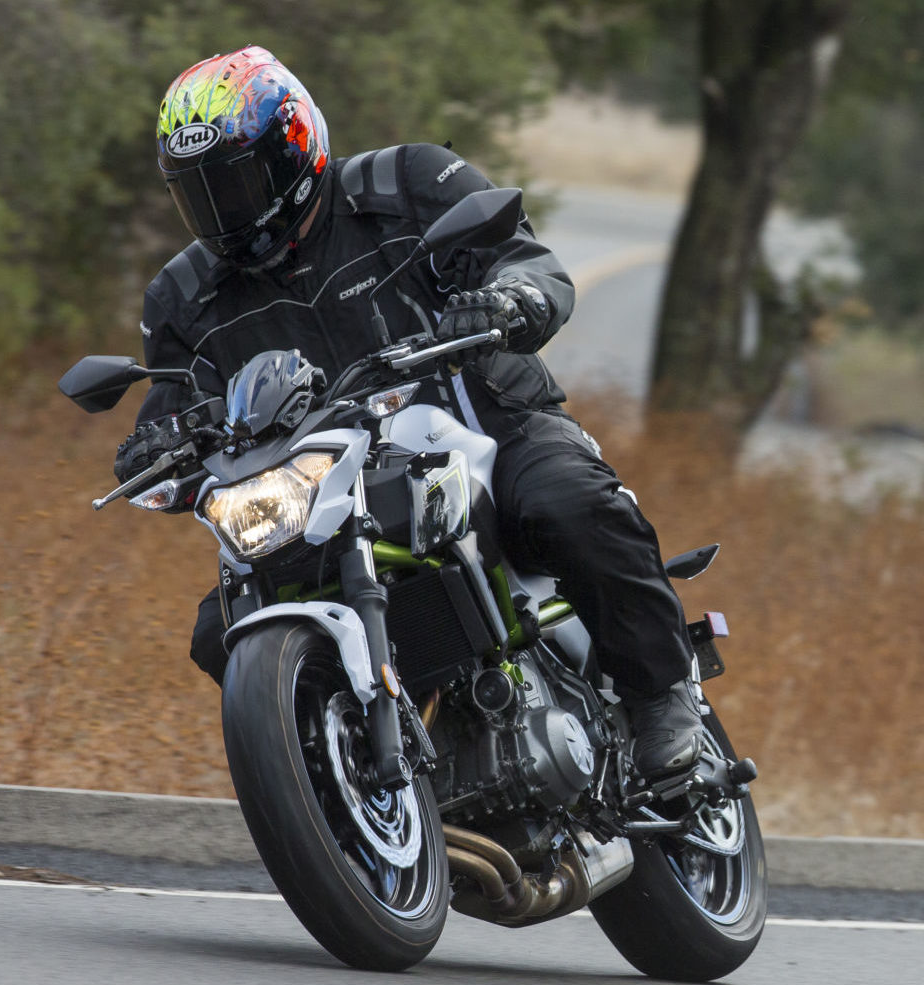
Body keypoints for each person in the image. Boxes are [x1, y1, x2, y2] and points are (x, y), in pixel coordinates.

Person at [113, 46, 703, 779]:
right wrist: (149, 447)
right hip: (326, 488)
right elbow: (171, 408)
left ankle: (661, 692)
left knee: (569, 504)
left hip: (487, 425)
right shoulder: (184, 297)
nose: (224, 210)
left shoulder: (406, 184)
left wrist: (509, 299)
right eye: (200, 194)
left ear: (295, 146)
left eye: (238, 182)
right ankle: (341, 780)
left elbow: (526, 260)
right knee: (222, 629)